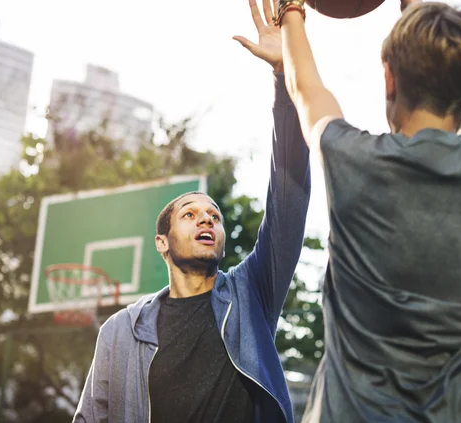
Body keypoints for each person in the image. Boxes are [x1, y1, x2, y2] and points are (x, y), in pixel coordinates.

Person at [241, 0, 461, 421]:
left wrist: (291, 14)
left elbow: (306, 91)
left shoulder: (353, 159)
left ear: (388, 78)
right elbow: (453, 103)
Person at [72, 7, 311, 423]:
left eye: (214, 216)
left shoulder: (250, 295)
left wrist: (283, 77)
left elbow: (288, 197)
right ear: (161, 243)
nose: (207, 220)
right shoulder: (121, 331)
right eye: (190, 214)